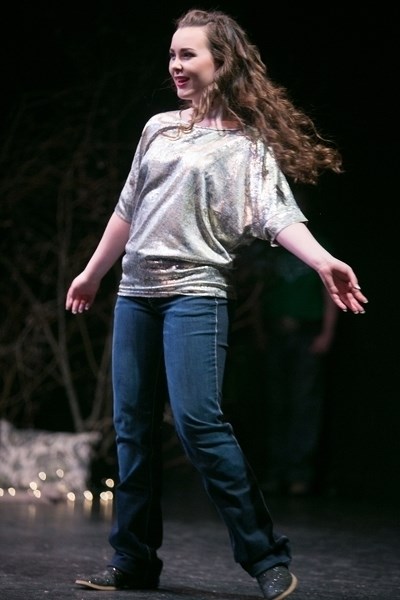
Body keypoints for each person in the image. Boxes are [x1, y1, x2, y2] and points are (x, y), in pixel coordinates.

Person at [65, 8, 368, 600]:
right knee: (131, 430)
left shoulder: (245, 146)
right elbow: (129, 208)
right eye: (172, 55)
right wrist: (92, 272)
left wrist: (322, 259)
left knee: (200, 423)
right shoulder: (157, 127)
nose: (176, 65)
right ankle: (132, 559)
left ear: (220, 62)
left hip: (195, 297)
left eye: (189, 55)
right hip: (135, 295)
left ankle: (265, 556)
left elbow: (278, 215)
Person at [258, 233, 339, 497]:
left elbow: (330, 291)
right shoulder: (272, 252)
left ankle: (299, 474)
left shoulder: (317, 247)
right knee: (275, 402)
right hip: (277, 332)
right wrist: (260, 330)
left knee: (304, 403)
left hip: (307, 333)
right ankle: (275, 471)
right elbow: (260, 291)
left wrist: (326, 333)